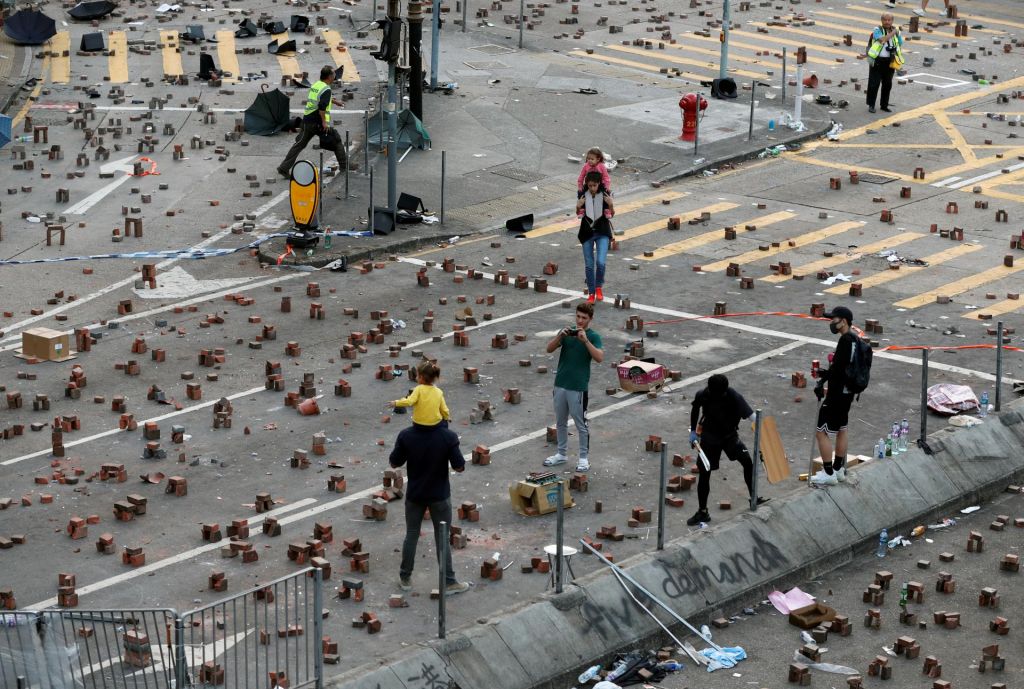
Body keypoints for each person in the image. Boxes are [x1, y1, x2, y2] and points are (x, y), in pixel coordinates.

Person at [390, 420, 471, 595]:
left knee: (411, 534)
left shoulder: (406, 435)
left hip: (415, 495)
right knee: (442, 537)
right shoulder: (447, 437)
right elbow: (459, 467)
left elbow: (394, 463)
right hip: (439, 496)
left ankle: (405, 578)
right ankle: (449, 582)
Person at [686, 374, 766, 526]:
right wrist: (693, 432)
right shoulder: (703, 394)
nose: (716, 396)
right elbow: (695, 409)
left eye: (719, 394)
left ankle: (753, 497)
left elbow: (753, 417)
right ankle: (702, 512)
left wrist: (764, 438)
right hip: (709, 438)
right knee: (704, 472)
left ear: (724, 391)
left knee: (747, 462)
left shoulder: (733, 396)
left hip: (730, 436)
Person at [544, 301, 604, 472]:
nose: (579, 321)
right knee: (560, 422)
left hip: (578, 387)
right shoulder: (567, 333)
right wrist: (559, 337)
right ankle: (561, 454)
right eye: (578, 316)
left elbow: (599, 357)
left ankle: (584, 458)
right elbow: (549, 349)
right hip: (560, 384)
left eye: (583, 318)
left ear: (590, 319)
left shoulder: (593, 336)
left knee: (581, 424)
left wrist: (585, 342)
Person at [810, 306, 858, 487]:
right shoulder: (855, 339)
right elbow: (841, 367)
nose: (832, 323)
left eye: (834, 320)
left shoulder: (845, 340)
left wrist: (822, 384)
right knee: (842, 428)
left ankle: (828, 472)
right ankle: (838, 469)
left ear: (843, 321)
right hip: (848, 393)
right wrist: (826, 374)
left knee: (821, 431)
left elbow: (838, 368)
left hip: (837, 394)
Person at [277, 65, 348, 178]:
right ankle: (344, 168)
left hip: (307, 121)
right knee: (337, 141)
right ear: (329, 76)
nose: (335, 75)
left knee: (299, 145)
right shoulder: (327, 89)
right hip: (318, 123)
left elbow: (319, 99)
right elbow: (321, 107)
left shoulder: (316, 85)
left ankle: (283, 168)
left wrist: (334, 101)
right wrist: (324, 122)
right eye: (334, 74)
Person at [576, 172, 615, 303]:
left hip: (602, 232)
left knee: (601, 262)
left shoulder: (605, 195)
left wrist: (611, 205)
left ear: (599, 184)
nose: (592, 188)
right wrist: (577, 206)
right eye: (590, 185)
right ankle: (591, 293)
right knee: (589, 265)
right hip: (587, 232)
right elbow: (579, 215)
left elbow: (611, 215)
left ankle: (598, 286)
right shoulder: (583, 195)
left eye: (595, 185)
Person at [389, 360, 450, 427]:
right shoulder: (439, 391)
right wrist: (447, 418)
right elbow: (444, 410)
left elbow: (409, 401)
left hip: (419, 423)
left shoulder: (418, 389)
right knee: (444, 423)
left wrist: (396, 402)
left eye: (417, 375)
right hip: (434, 423)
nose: (416, 377)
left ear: (421, 377)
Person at [865, 13, 903, 114]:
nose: (887, 22)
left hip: (889, 61)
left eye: (889, 20)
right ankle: (871, 105)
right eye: (885, 20)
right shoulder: (877, 30)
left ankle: (884, 105)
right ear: (881, 21)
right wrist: (894, 32)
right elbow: (882, 40)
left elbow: (900, 43)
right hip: (877, 61)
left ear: (892, 21)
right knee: (874, 84)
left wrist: (897, 34)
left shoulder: (896, 31)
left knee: (887, 84)